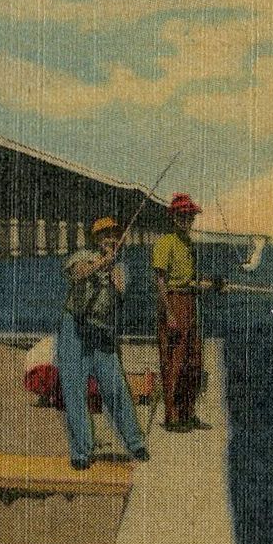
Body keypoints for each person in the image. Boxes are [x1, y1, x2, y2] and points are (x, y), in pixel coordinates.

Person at [57, 216, 148, 470]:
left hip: (102, 334)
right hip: (74, 330)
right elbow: (78, 273)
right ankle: (81, 452)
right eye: (104, 235)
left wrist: (112, 270)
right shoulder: (82, 256)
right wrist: (101, 263)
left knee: (116, 388)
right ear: (95, 238)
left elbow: (120, 291)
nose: (109, 239)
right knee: (74, 391)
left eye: (114, 235)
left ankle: (135, 442)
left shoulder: (122, 268)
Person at [152, 193, 223, 431]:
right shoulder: (165, 242)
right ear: (173, 218)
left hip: (190, 303)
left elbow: (190, 280)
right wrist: (169, 314)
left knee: (193, 361)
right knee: (174, 362)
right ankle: (172, 418)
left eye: (189, 216)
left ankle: (188, 413)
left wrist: (212, 284)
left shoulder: (188, 243)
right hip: (173, 303)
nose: (186, 220)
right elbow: (160, 281)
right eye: (182, 216)